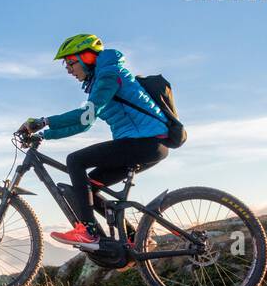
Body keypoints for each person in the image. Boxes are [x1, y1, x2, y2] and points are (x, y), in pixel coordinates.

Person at [16, 33, 170, 246]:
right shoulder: (101, 79)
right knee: (87, 188)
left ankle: (88, 232)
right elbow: (85, 123)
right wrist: (44, 134)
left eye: (70, 63)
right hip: (143, 144)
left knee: (75, 161)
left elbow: (84, 116)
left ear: (87, 57)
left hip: (145, 142)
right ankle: (137, 239)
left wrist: (43, 121)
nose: (68, 70)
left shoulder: (109, 75)